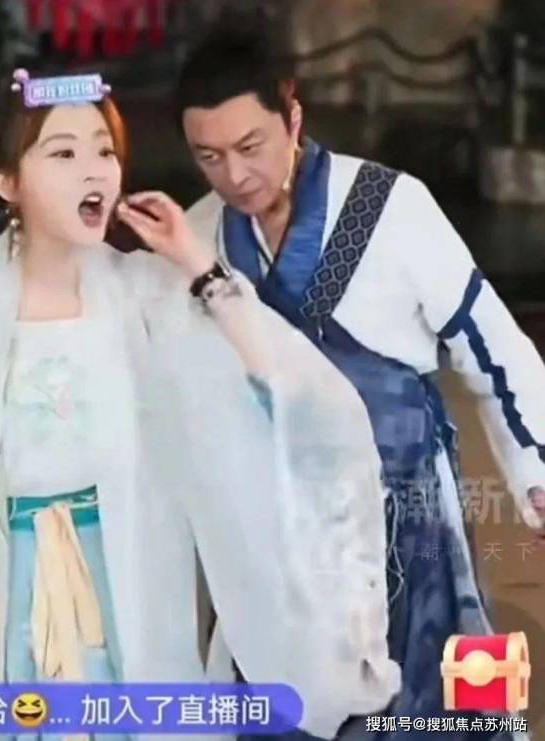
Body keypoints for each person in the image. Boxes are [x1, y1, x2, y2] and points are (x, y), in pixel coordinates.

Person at [0, 67, 400, 739]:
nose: (94, 171)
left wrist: (198, 266)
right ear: (8, 182)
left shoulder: (148, 294)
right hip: (0, 590)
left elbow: (286, 392)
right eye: (63, 154)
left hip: (128, 581)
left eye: (105, 151)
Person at [176, 16, 545, 741]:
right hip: (278, 521)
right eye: (208, 156)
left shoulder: (389, 205)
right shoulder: (200, 234)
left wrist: (537, 470)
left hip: (406, 505)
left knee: (431, 698)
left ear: (292, 114)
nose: (234, 175)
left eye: (250, 146)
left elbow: (490, 343)